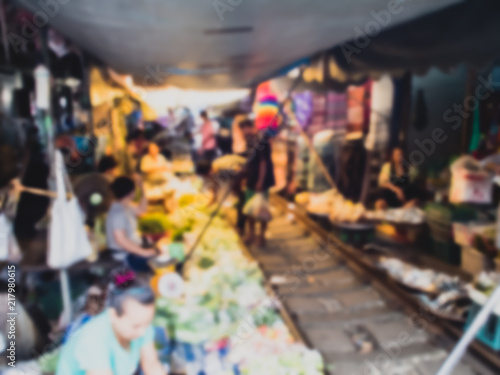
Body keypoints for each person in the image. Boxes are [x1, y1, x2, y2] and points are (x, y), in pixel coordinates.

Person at [56, 275, 165, 375]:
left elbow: (152, 365)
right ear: (113, 314)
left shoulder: (141, 322)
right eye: (136, 326)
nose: (143, 332)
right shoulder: (93, 339)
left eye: (147, 324)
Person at [106, 176, 158, 272]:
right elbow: (121, 240)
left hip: (131, 251)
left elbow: (141, 209)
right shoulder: (118, 213)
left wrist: (142, 189)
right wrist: (144, 253)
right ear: (131, 192)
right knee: (158, 262)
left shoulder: (125, 206)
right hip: (124, 257)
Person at [240, 120, 275, 247]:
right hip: (251, 179)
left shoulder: (261, 140)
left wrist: (260, 181)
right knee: (250, 209)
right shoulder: (249, 142)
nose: (246, 131)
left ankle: (261, 236)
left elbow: (263, 163)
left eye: (248, 127)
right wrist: (245, 176)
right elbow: (250, 161)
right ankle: (251, 234)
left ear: (253, 127)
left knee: (262, 210)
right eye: (243, 129)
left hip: (262, 181)